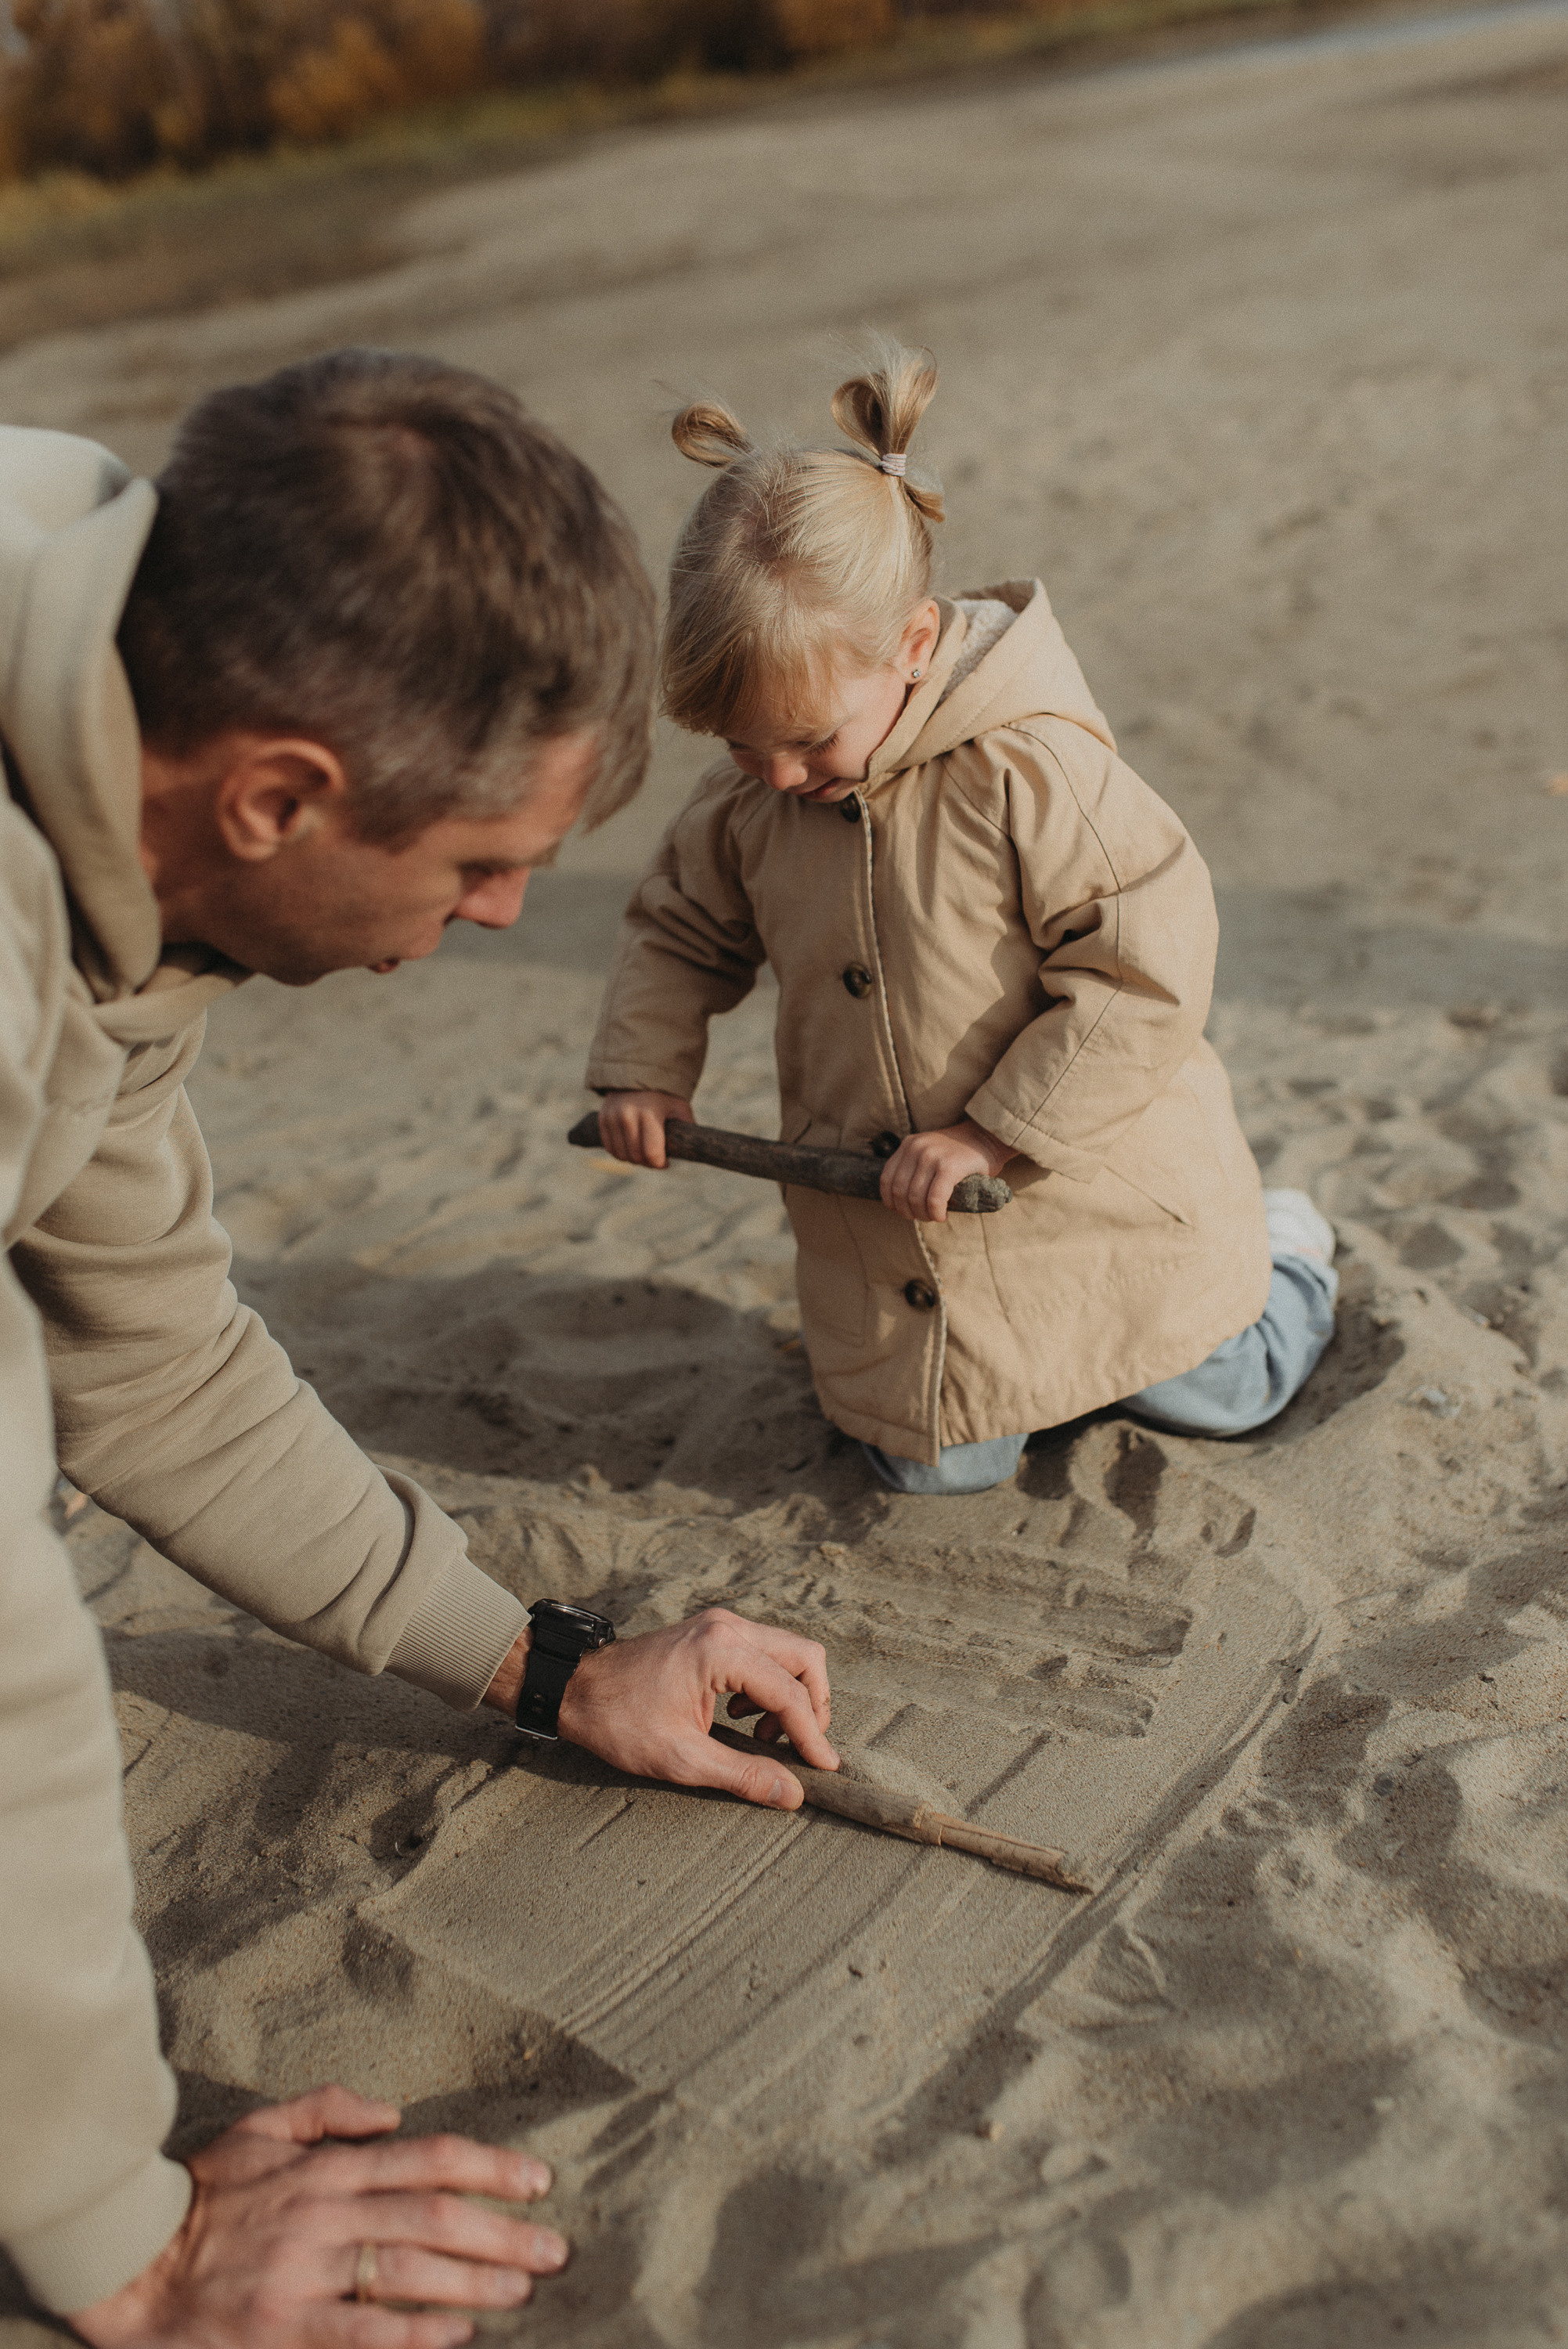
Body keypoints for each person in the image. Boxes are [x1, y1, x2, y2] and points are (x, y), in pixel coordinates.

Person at [1, 349, 837, 2347]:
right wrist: (125, 2238)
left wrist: (552, 1668)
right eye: (476, 863)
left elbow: (153, 1359)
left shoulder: (113, 747)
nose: (503, 916)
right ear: (278, 790)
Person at [589, 340, 1340, 1495]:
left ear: (916, 648)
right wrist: (644, 1069)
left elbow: (1145, 970)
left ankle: (1288, 1248)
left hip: (1084, 1188)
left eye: (806, 739)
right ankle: (1002, 1393)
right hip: (903, 1239)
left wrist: (995, 1132)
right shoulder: (746, 803)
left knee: (1225, 1391)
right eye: (743, 743)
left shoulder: (1027, 772)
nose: (778, 774)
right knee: (931, 1471)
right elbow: (679, 932)